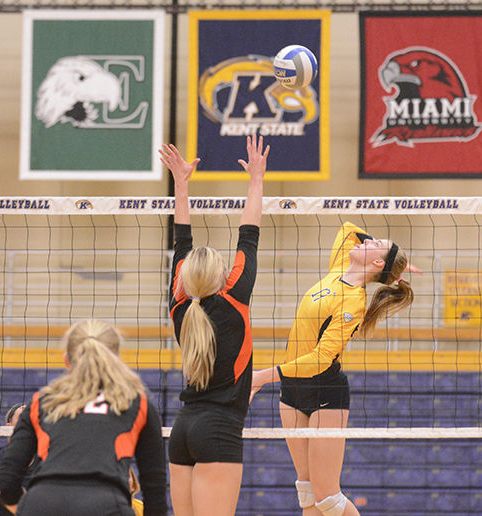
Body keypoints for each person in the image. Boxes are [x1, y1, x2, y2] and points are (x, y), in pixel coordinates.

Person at [250, 222, 418, 516]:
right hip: (292, 390)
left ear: (377, 262)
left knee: (328, 498)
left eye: (375, 243)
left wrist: (262, 377)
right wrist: (390, 264)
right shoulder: (340, 265)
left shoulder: (353, 302)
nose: (367, 240)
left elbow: (320, 360)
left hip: (324, 391)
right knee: (307, 494)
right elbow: (348, 229)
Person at [160, 135, 268, 516]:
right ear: (225, 276)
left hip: (183, 431)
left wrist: (182, 184)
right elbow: (249, 233)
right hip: (219, 433)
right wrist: (256, 180)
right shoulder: (233, 299)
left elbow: (181, 241)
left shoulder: (180, 305)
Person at [0, 319, 167, 516]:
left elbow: (5, 485)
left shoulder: (41, 403)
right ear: (116, 359)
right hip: (107, 507)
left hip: (42, 504)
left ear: (66, 360)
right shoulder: (138, 405)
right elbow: (155, 496)